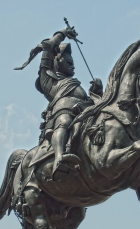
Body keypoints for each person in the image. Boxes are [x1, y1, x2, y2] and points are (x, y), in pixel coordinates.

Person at [35, 27, 102, 181]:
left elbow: (92, 103)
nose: (72, 65)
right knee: (64, 121)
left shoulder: (77, 85)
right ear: (57, 61)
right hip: (63, 114)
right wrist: (63, 33)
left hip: (83, 113)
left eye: (73, 63)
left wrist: (97, 92)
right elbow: (47, 46)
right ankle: (59, 158)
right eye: (68, 61)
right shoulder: (49, 81)